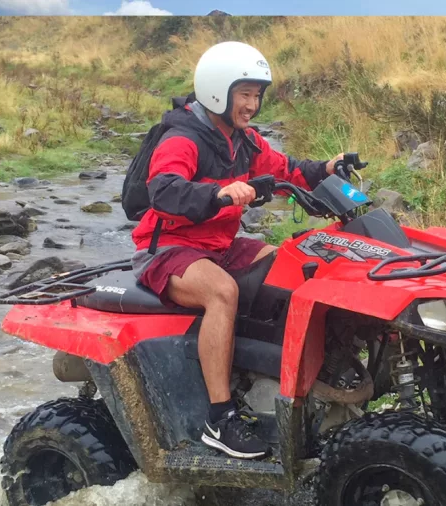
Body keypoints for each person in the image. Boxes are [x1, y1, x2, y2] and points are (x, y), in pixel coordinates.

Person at [129, 41, 343, 460]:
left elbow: (287, 169)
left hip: (218, 245)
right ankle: (219, 417)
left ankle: (281, 379)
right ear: (216, 91)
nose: (252, 104)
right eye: (244, 94)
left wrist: (327, 170)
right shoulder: (182, 137)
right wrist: (220, 193)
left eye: (257, 95)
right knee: (222, 292)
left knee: (291, 265)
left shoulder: (244, 140)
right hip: (168, 247)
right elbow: (165, 191)